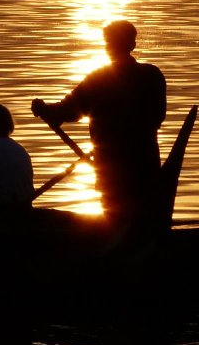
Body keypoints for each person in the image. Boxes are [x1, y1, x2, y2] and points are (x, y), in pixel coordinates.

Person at [31, 20, 166, 227]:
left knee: (116, 224)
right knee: (143, 221)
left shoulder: (99, 79)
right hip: (146, 168)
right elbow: (159, 117)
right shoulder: (153, 76)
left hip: (112, 172)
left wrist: (43, 109)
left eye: (108, 42)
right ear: (133, 45)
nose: (107, 47)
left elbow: (66, 111)